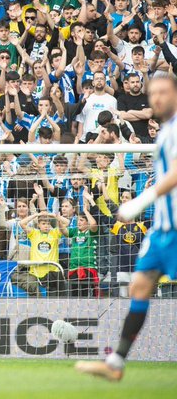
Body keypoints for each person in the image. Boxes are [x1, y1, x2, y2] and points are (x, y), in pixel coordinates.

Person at [78, 72, 177, 381]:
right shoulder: (164, 133)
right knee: (139, 287)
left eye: (164, 92)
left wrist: (139, 202)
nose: (157, 97)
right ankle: (116, 364)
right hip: (162, 230)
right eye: (154, 93)